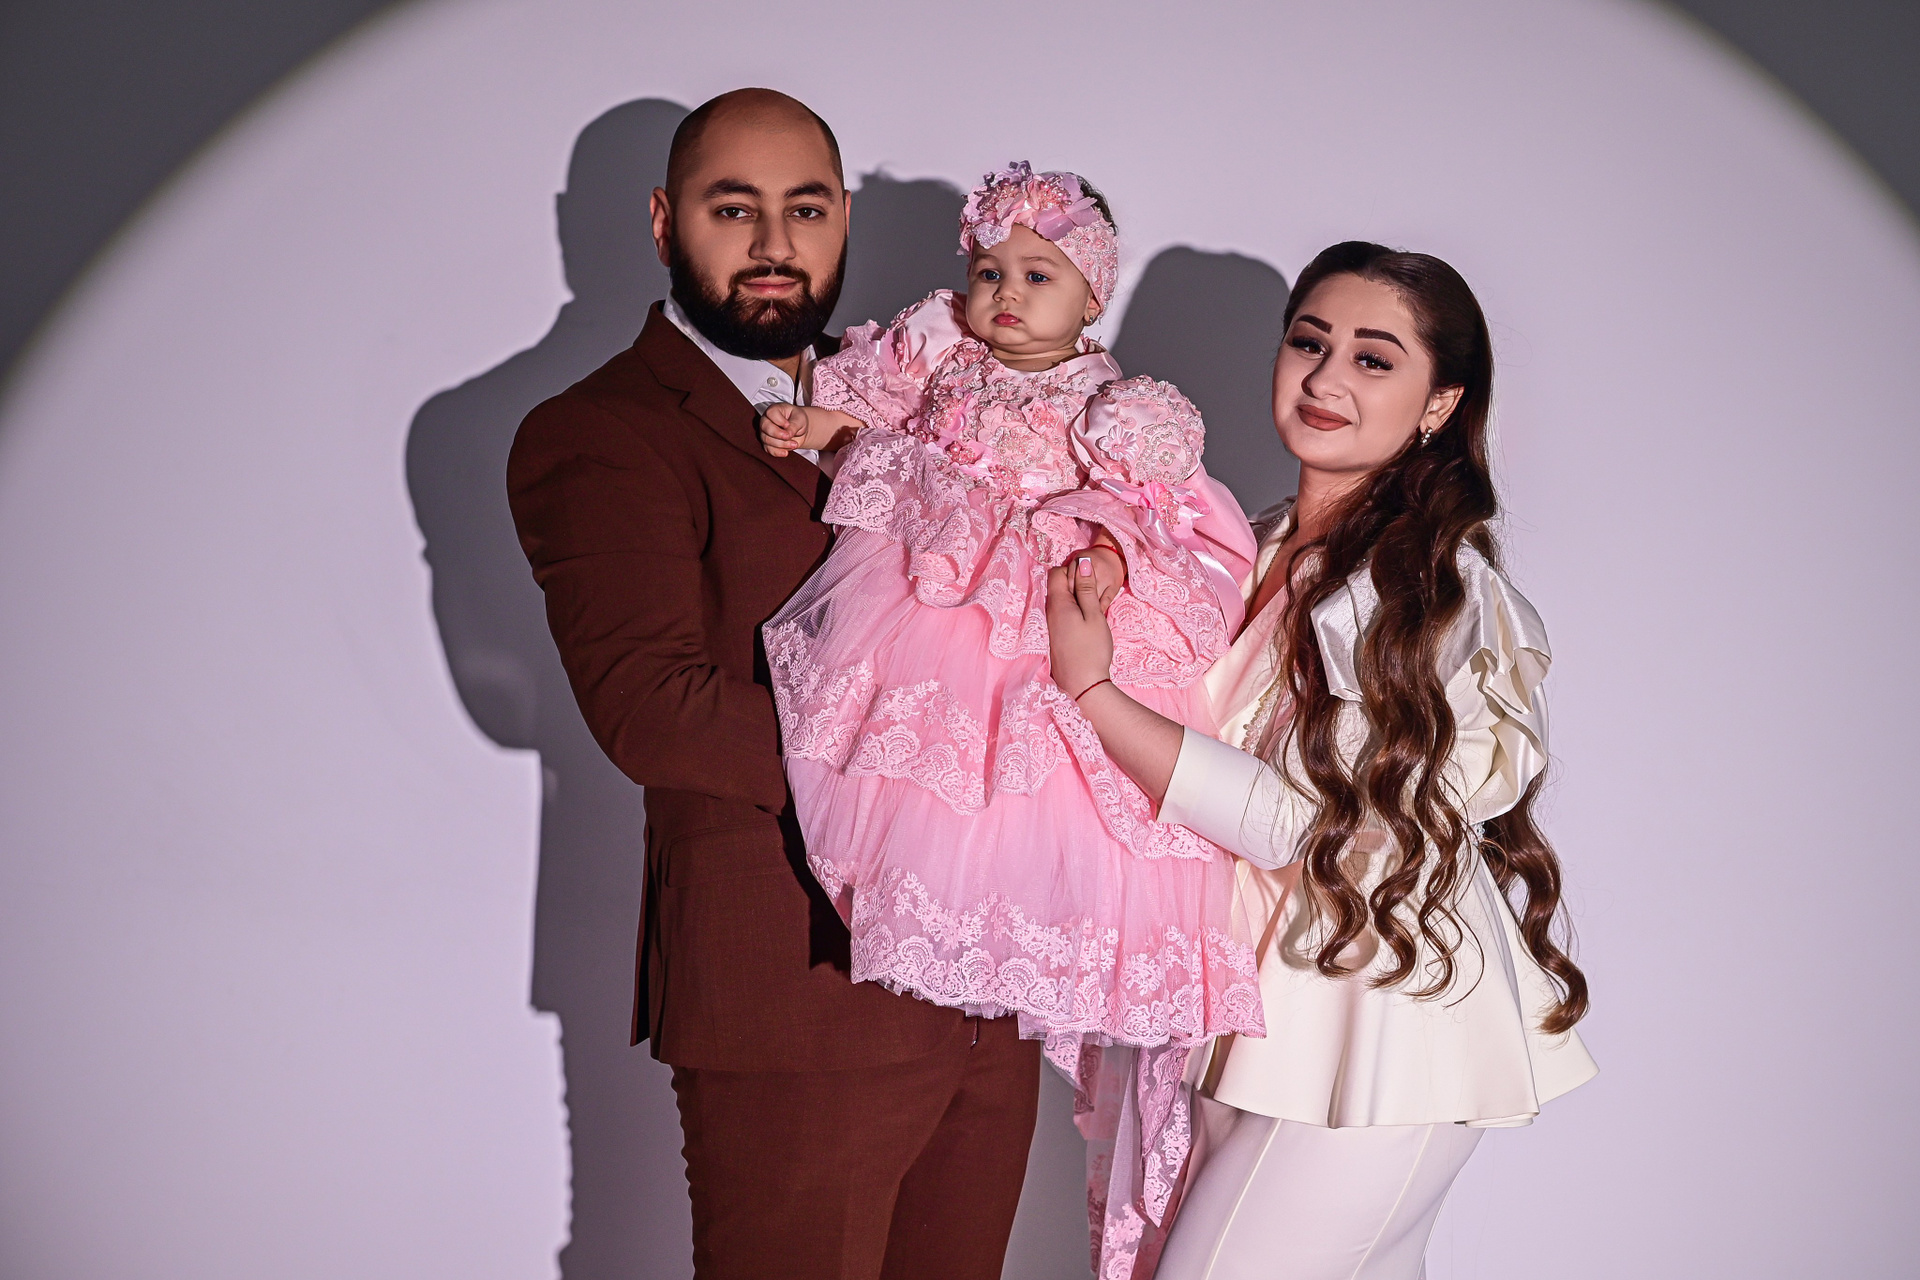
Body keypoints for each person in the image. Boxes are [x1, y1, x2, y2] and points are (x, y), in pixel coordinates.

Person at [506, 89, 1040, 1280]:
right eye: (731, 208)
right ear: (664, 222)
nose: (772, 244)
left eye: (804, 209)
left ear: (842, 217)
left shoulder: (922, 402)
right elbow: (656, 711)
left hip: (980, 984)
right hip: (792, 993)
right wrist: (928, 756)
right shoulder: (599, 431)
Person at [1046, 242, 1599, 1280]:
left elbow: (1295, 821)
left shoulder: (1421, 588)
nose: (1326, 377)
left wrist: (1095, 693)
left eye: (1374, 359)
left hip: (1372, 1031)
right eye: (1310, 342)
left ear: (1440, 403)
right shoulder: (1249, 548)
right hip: (1258, 1015)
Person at [757, 161, 1265, 1279]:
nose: (1005, 294)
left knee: (1047, 788)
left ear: (1093, 298)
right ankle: (936, 924)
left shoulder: (1110, 402)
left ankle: (1020, 941)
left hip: (1040, 614)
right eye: (989, 271)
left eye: (1039, 275)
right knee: (927, 768)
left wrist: (1105, 549)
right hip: (935, 600)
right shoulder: (942, 358)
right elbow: (869, 420)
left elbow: (1149, 511)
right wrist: (826, 425)